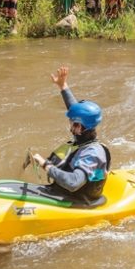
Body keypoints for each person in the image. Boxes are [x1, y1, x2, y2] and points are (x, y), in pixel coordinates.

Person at [30, 66, 110, 204]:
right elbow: (76, 111)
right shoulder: (83, 135)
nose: (69, 123)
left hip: (80, 201)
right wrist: (63, 86)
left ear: (78, 127)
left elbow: (73, 183)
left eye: (71, 121)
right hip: (67, 193)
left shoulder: (92, 153)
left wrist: (45, 164)